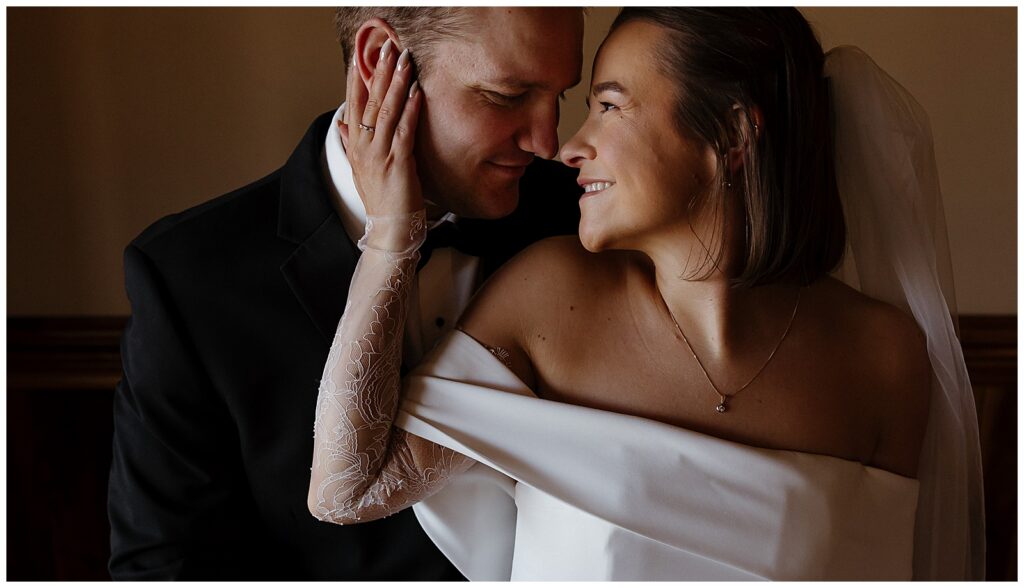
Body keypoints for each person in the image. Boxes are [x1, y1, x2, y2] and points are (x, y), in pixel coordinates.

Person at [308, 7, 985, 580]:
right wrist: (391, 236)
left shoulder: (884, 360)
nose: (566, 147)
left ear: (731, 133)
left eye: (607, 106)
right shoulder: (548, 301)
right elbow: (346, 491)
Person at [107, 7, 584, 580]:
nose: (547, 141)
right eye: (507, 95)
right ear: (380, 59)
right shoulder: (189, 278)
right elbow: (165, 566)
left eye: (560, 96)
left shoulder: (587, 222)